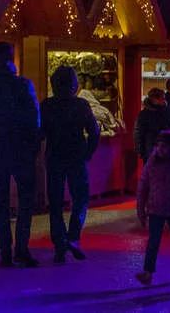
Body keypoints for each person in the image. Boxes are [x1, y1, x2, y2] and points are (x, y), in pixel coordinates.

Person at [0, 42, 42, 268]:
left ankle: (5, 249)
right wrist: (34, 147)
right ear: (12, 58)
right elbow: (34, 118)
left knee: (1, 202)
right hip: (21, 149)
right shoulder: (23, 85)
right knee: (25, 202)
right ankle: (21, 249)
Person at [42, 66, 100, 263]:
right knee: (80, 200)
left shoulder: (47, 105)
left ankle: (59, 244)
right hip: (76, 157)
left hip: (55, 157)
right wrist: (88, 152)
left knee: (56, 204)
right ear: (74, 84)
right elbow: (94, 131)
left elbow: (40, 133)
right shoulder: (81, 105)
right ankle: (73, 237)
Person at [135, 130, 170, 286]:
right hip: (156, 208)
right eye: (159, 146)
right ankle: (148, 273)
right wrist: (141, 209)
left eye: (165, 147)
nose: (161, 149)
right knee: (153, 242)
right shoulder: (151, 164)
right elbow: (143, 186)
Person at [135, 87, 170, 163]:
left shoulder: (166, 111)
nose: (164, 100)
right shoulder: (145, 114)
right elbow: (139, 133)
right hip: (151, 148)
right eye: (162, 98)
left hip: (163, 147)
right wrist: (140, 150)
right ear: (155, 99)